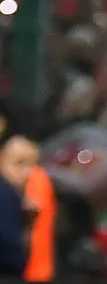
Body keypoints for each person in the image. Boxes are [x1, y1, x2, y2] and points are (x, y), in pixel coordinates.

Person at [0, 100, 42, 277]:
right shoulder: (6, 197)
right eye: (19, 164)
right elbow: (15, 261)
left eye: (33, 164)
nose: (27, 173)